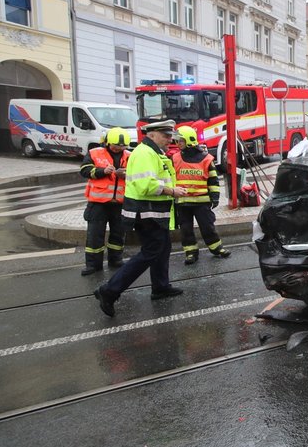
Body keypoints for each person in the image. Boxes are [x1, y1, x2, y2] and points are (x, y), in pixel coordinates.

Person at [94, 120, 187, 317]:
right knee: (150, 252)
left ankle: (160, 286)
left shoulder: (154, 152)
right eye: (166, 135)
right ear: (151, 134)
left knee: (163, 248)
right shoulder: (145, 152)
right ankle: (109, 291)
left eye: (171, 135)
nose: (170, 139)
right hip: (147, 214)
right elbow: (147, 185)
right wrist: (172, 191)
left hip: (154, 213)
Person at [171, 126, 230, 265]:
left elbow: (213, 180)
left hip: (202, 202)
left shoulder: (206, 159)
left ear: (189, 141)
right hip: (183, 202)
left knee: (208, 227)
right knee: (186, 229)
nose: (178, 143)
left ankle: (217, 248)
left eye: (180, 141)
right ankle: (191, 252)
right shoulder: (174, 158)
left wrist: (215, 197)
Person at [79, 127, 130, 275]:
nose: (119, 148)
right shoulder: (95, 153)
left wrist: (126, 174)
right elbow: (84, 170)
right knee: (95, 235)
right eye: (116, 145)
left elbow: (137, 174)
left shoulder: (129, 156)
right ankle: (93, 265)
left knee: (118, 234)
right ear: (107, 142)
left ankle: (116, 260)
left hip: (119, 203)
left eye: (122, 146)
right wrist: (102, 171)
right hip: (98, 203)